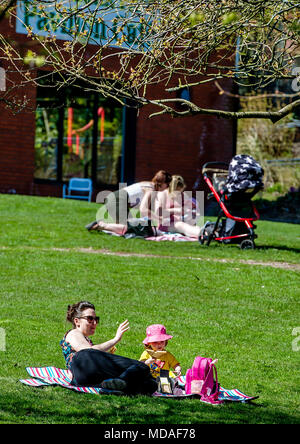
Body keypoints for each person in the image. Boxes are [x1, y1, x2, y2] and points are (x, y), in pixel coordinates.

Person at [60, 301, 158, 395]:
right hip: (82, 366)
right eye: (90, 319)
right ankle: (123, 379)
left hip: (84, 379)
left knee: (150, 384)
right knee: (142, 367)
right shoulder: (74, 333)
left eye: (96, 319)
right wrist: (115, 339)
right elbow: (87, 351)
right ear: (77, 321)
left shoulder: (85, 340)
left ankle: (111, 388)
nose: (94, 323)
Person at [86, 170, 172, 229]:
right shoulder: (150, 190)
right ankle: (101, 224)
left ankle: (101, 225)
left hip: (115, 198)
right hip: (117, 199)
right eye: (167, 185)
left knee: (128, 226)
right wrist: (159, 219)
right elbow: (143, 210)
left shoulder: (148, 184)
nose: (167, 188)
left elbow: (143, 210)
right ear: (162, 183)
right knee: (128, 228)